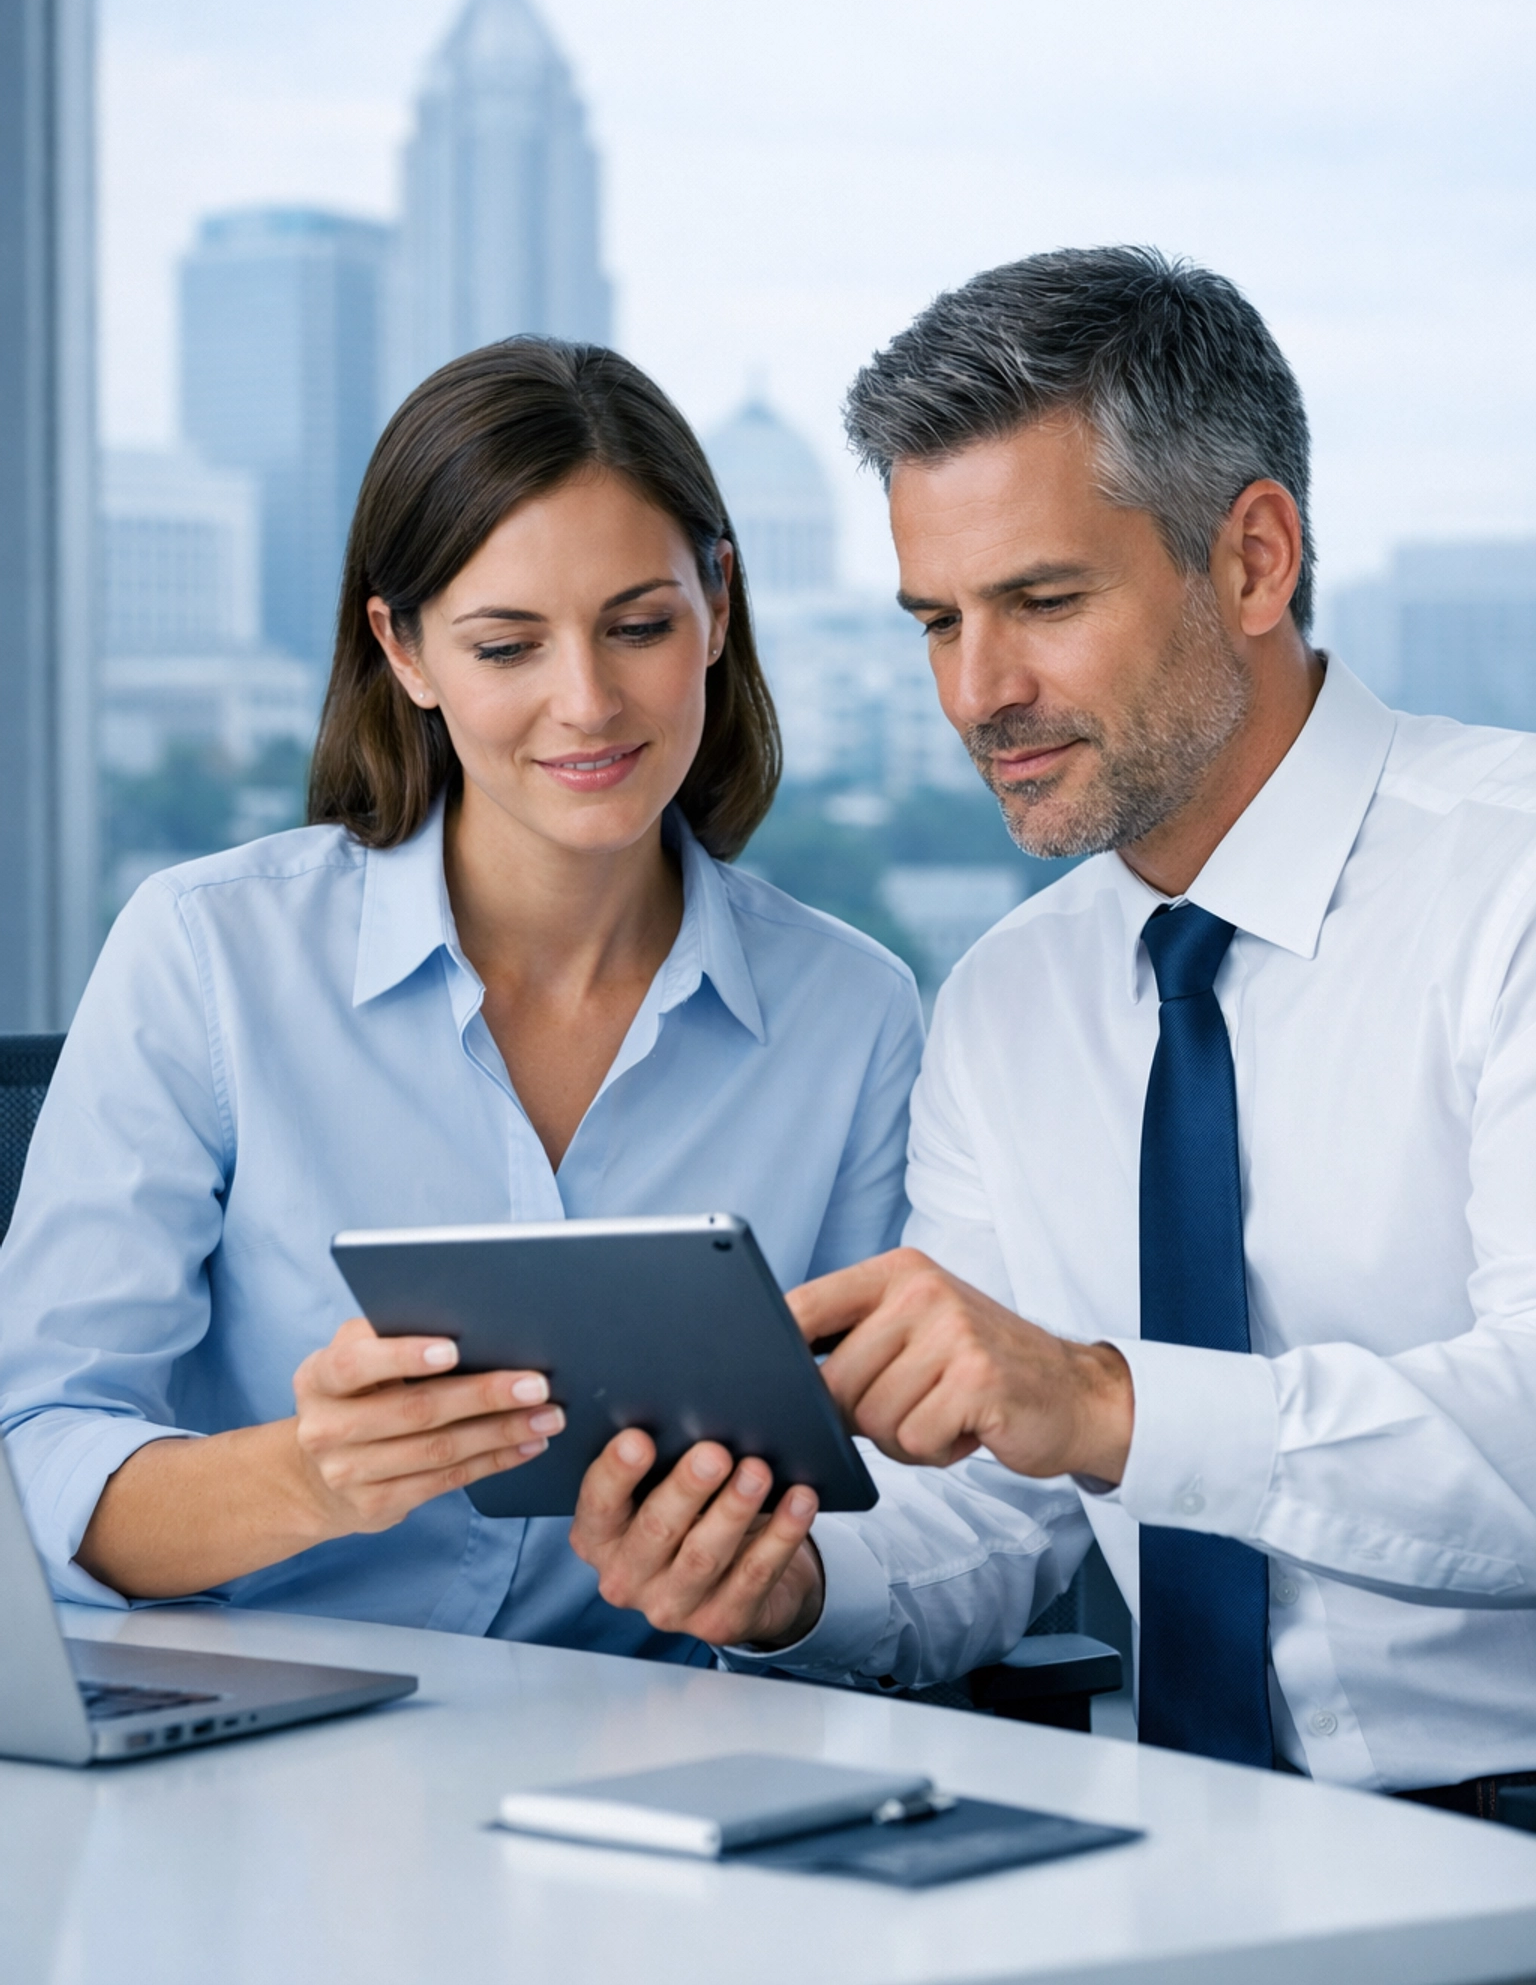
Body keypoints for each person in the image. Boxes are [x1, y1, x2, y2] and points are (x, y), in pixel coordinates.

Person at [566, 247, 1536, 1813]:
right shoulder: (1011, 999)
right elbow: (992, 1523)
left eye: (1041, 602)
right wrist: (790, 1593)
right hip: (1184, 1841)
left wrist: (1102, 1401)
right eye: (935, 621)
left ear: (1255, 561)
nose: (977, 690)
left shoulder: (1513, 886)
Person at [0, 338, 921, 1662]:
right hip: (264, 1761)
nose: (588, 702)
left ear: (718, 605)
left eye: (640, 625)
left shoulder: (854, 1016)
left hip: (648, 1767)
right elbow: (36, 1455)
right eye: (507, 645)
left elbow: (894, 1504)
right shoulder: (207, 956)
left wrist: (775, 1588)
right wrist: (308, 1479)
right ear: (405, 650)